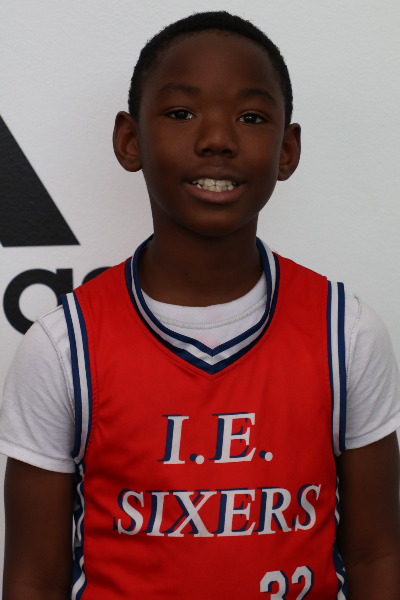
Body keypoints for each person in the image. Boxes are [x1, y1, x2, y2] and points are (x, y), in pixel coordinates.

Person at [1, 10, 400, 600]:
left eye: (251, 117)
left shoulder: (347, 333)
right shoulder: (64, 347)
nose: (217, 138)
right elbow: (34, 577)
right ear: (130, 140)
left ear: (287, 150)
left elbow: (375, 554)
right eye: (181, 113)